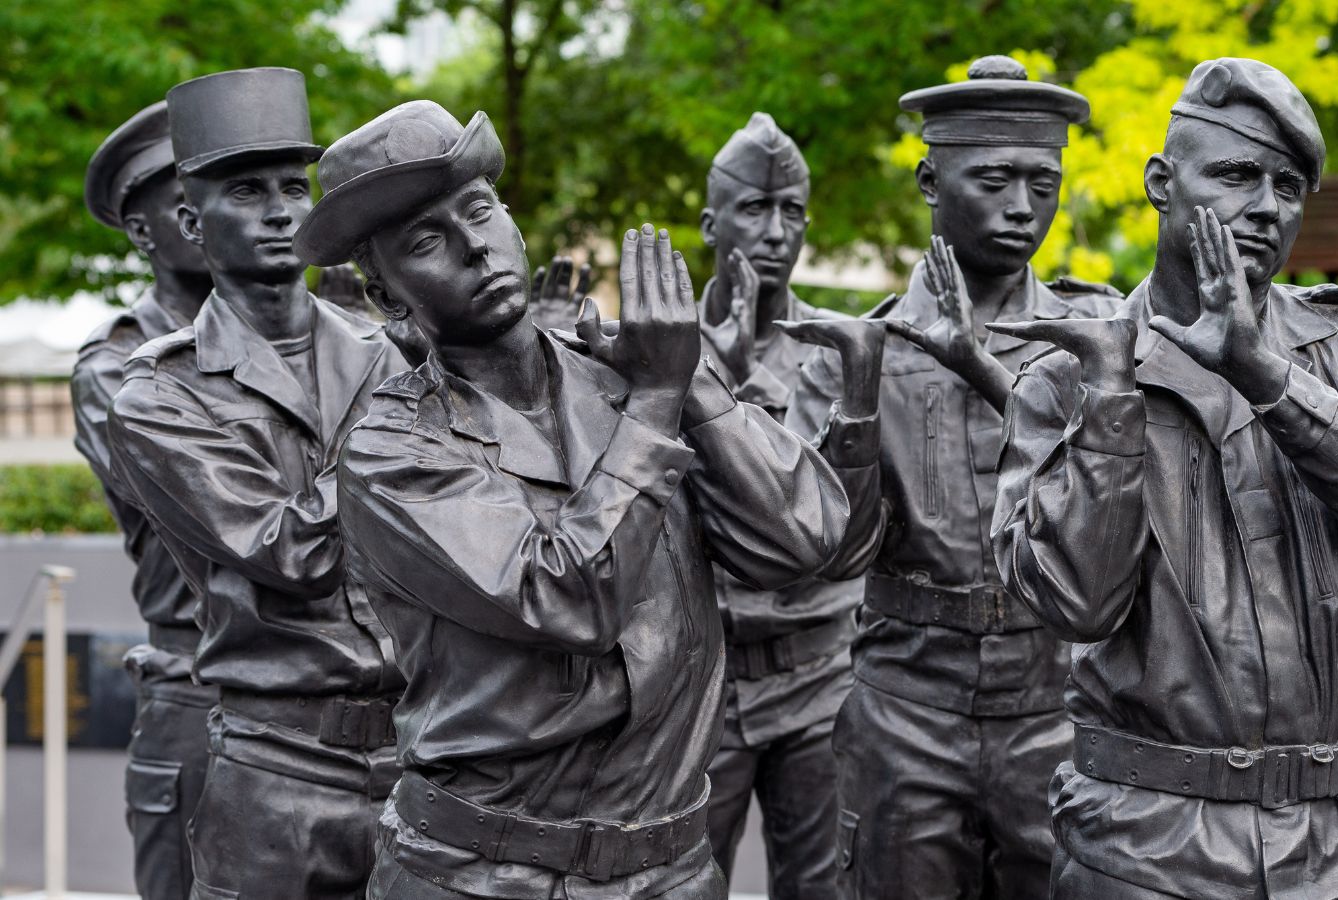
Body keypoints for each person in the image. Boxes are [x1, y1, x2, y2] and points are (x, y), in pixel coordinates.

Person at [296, 100, 849, 899]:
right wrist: (658, 403)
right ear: (386, 298)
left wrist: (689, 381)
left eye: (480, 211)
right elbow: (568, 599)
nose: (472, 248)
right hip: (486, 875)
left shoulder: (633, 374)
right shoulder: (390, 452)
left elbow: (802, 542)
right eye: (425, 241)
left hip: (671, 870)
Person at [989, 58, 1338, 899]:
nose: (1265, 206)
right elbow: (1073, 605)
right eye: (1235, 174)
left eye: (1287, 186)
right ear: (1161, 182)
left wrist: (1275, 382)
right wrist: (1113, 406)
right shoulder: (1068, 377)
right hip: (1144, 849)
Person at [782, 55, 1120, 899]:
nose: (1021, 207)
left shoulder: (1099, 338)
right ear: (932, 180)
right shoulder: (861, 347)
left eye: (1043, 183)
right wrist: (860, 394)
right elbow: (833, 551)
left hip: (1061, 703)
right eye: (995, 179)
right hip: (904, 710)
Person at [108, 67, 409, 899]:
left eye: (294, 187)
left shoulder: (385, 354)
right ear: (191, 223)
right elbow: (295, 553)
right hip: (279, 775)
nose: (282, 211)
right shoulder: (159, 393)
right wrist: (410, 424)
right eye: (247, 191)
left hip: (422, 762)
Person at [694, 112, 860, 899]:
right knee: (688, 881)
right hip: (703, 688)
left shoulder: (841, 350)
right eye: (754, 210)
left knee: (821, 886)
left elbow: (840, 517)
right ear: (710, 223)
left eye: (791, 211)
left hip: (818, 677)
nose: (774, 231)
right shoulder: (660, 355)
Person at [76, 99, 215, 900]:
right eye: (182, 205)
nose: (205, 220)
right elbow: (222, 517)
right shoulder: (115, 368)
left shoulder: (317, 342)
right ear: (142, 232)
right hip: (196, 683)